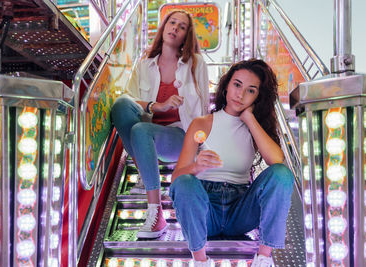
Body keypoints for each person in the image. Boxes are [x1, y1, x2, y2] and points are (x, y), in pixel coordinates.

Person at [170, 59, 294, 267]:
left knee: (282, 174)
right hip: (206, 211)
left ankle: (263, 258)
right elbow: (175, 179)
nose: (241, 94)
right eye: (237, 85)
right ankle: (200, 261)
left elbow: (277, 161)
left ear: (257, 97)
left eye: (251, 90)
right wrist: (196, 167)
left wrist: (249, 119)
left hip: (240, 212)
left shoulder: (255, 128)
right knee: (184, 182)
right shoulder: (201, 123)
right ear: (227, 85)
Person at [111, 10, 209, 239]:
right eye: (172, 22)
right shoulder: (145, 65)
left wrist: (200, 148)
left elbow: (203, 109)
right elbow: (131, 99)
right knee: (120, 105)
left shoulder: (196, 64)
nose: (175, 28)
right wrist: (157, 106)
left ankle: (156, 213)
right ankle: (148, 178)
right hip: (147, 132)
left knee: (140, 129)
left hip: (180, 136)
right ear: (164, 27)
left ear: (187, 35)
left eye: (182, 26)